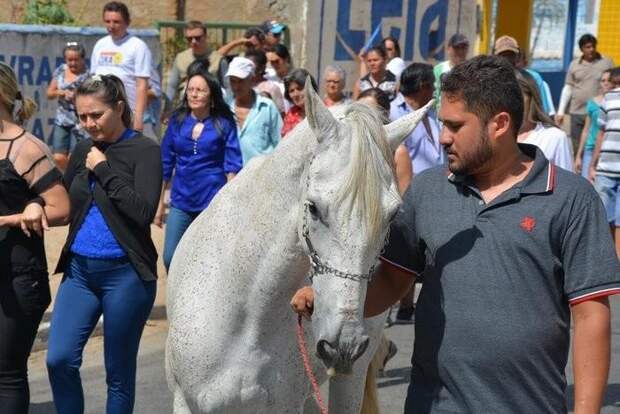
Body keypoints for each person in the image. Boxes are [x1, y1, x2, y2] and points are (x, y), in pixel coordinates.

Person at [292, 55, 620, 413]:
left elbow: (591, 316)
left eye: (455, 125)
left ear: (499, 124)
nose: (443, 138)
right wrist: (326, 298)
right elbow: (391, 282)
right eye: (441, 124)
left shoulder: (570, 198)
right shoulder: (428, 190)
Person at [45, 74, 162, 413]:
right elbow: (65, 204)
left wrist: (105, 169)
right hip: (80, 273)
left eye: (96, 114)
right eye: (82, 116)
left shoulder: (145, 150)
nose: (88, 123)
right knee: (59, 360)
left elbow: (142, 213)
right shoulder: (82, 148)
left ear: (120, 108)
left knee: (118, 375)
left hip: (126, 276)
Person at [0, 62, 70, 414]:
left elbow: (60, 208)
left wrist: (22, 212)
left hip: (16, 277)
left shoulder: (26, 148)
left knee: (6, 373)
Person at [155, 62, 242, 270]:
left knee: (209, 260)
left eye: (200, 90)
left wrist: (226, 203)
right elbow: (165, 164)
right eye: (190, 90)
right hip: (181, 201)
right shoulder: (177, 120)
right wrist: (159, 206)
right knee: (170, 257)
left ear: (211, 96)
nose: (193, 94)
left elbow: (233, 164)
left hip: (212, 202)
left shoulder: (224, 123)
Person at [389, 62, 444, 321]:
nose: (434, 90)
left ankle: (408, 306)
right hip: (407, 191)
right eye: (432, 85)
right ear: (422, 86)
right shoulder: (393, 112)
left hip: (435, 191)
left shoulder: (431, 114)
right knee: (405, 248)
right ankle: (396, 303)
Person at [90, 1, 152, 132]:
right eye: (107, 21)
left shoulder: (137, 46)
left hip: (127, 113)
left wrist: (138, 117)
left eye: (116, 22)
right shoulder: (100, 44)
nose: (111, 26)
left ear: (127, 22)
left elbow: (142, 85)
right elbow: (94, 79)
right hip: (102, 113)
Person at [556, 34, 614, 152]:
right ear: (581, 49)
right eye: (587, 47)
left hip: (598, 111)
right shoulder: (574, 64)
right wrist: (561, 111)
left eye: (593, 46)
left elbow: (615, 84)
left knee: (596, 144)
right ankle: (578, 168)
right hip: (577, 111)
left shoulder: (607, 62)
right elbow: (568, 87)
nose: (591, 49)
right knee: (577, 145)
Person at [515, 69, 574, 172]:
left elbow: (567, 183)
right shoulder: (492, 136)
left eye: (518, 96)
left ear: (531, 98)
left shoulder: (554, 137)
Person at [226, 57, 282, 164]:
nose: (236, 86)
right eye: (233, 81)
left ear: (251, 80)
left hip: (262, 175)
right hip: (233, 176)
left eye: (241, 81)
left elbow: (280, 143)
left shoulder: (267, 107)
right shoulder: (225, 108)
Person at [163, 21, 224, 117]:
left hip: (212, 110)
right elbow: (172, 86)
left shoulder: (218, 59)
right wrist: (167, 109)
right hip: (186, 109)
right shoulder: (181, 58)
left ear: (206, 36)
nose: (193, 41)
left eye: (198, 38)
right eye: (189, 39)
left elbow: (228, 87)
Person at [589, 66, 620, 258]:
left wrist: (593, 163)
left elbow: (600, 133)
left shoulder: (607, 99)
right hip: (606, 167)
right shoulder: (608, 99)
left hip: (606, 166)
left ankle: (610, 259)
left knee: (603, 216)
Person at [46, 41, 90, 171]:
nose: (73, 63)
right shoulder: (60, 70)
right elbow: (49, 93)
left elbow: (91, 99)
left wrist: (78, 97)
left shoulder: (88, 76)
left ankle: (71, 183)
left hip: (79, 122)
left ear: (83, 59)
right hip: (62, 119)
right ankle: (65, 179)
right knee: (58, 157)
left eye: (76, 60)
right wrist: (62, 92)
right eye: (69, 60)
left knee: (74, 157)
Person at [493, 35, 555, 116]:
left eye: (510, 55)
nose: (507, 59)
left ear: (517, 56)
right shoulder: (490, 79)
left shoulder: (532, 77)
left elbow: (543, 108)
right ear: (495, 56)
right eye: (503, 55)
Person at [575, 69, 613, 178]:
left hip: (608, 150)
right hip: (590, 148)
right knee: (587, 183)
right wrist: (578, 156)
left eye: (609, 80)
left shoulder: (615, 103)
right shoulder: (592, 103)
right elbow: (586, 130)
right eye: (603, 80)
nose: (606, 83)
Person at [432, 33, 469, 107]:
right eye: (457, 48)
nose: (460, 51)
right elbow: (434, 96)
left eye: (463, 47)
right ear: (448, 49)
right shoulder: (439, 69)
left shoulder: (472, 69)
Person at [245, 48, 286, 115]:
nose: (248, 68)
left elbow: (281, 115)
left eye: (251, 65)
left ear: (261, 68)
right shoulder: (241, 86)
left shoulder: (271, 88)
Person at [281, 68, 318, 137]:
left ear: (310, 88)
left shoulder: (321, 111)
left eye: (300, 88)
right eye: (291, 91)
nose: (296, 94)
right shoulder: (291, 114)